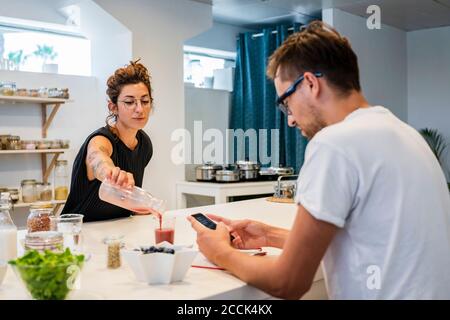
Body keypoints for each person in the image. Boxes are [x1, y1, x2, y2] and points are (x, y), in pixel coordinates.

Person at [188, 21, 450, 299]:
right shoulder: (405, 134)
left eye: (286, 102)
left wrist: (219, 251)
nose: (289, 118)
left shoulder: (334, 143)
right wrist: (269, 235)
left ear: (311, 83)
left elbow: (287, 282)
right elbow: (370, 240)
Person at [62, 60, 155, 222]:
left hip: (116, 231)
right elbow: (97, 158)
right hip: (79, 231)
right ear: (113, 107)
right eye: (129, 102)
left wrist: (138, 207)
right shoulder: (101, 139)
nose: (139, 109)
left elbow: (122, 199)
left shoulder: (144, 144)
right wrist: (111, 173)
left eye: (145, 101)